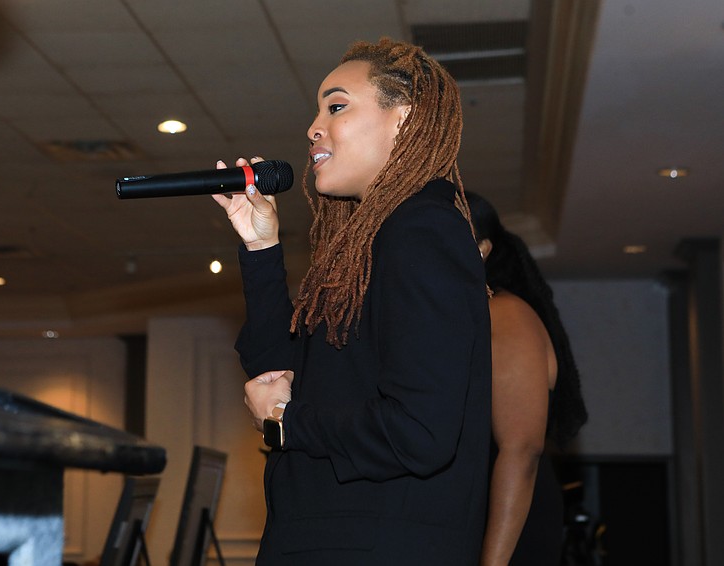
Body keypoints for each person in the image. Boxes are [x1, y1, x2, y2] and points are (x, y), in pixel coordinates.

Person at [212, 38, 492, 565]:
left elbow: (420, 431)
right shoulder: (376, 241)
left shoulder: (421, 230)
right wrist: (260, 249)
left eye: (336, 106)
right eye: (318, 109)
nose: (314, 127)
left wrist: (289, 422)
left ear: (404, 121)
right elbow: (279, 371)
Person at [466, 191, 588, 566]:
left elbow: (521, 450)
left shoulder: (504, 314)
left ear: (482, 248)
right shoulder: (464, 318)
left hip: (507, 526)